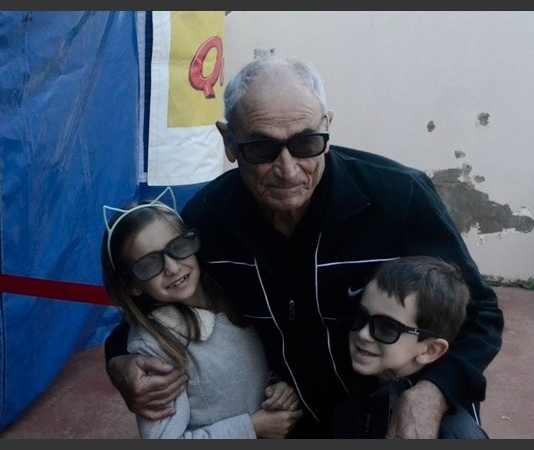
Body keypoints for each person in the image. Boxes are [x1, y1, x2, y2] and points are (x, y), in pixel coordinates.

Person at [104, 55, 504, 438]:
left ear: (327, 128)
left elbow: (480, 313)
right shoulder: (209, 219)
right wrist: (119, 362)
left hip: (394, 408)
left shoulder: (399, 198)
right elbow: (153, 305)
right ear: (229, 142)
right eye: (261, 148)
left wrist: (432, 393)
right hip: (292, 422)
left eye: (306, 143)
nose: (288, 169)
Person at [100, 195, 303, 438]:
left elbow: (245, 374)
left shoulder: (230, 295)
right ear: (132, 285)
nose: (173, 267)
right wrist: (252, 427)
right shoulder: (155, 348)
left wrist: (275, 388)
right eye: (149, 264)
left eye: (178, 246)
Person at [331, 256, 488, 438]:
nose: (363, 334)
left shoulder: (453, 434)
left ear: (430, 350)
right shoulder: (355, 393)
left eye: (387, 327)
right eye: (361, 316)